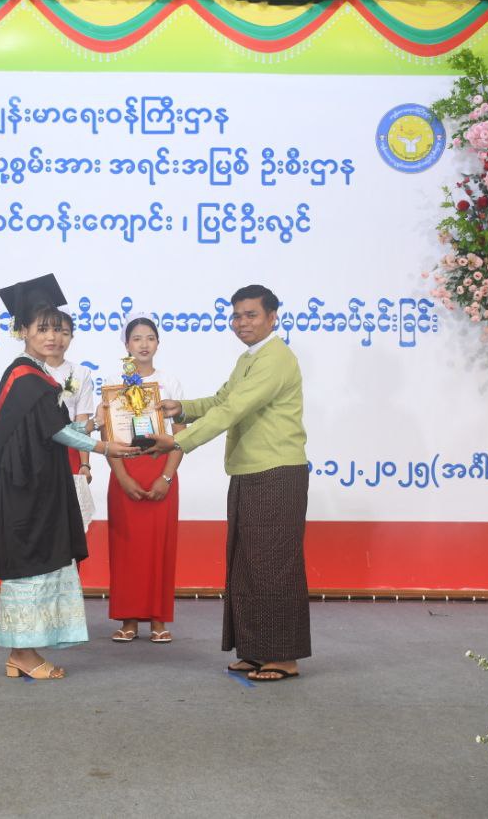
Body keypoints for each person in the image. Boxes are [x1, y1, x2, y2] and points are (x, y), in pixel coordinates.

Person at [0, 275, 140, 680]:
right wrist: (104, 447)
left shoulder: (37, 376)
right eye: (42, 328)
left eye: (59, 330)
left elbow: (57, 429)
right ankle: (22, 652)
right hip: (26, 491)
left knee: (40, 566)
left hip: (38, 488)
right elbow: (57, 432)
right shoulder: (25, 377)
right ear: (23, 331)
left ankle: (22, 653)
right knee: (28, 569)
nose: (52, 337)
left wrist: (99, 424)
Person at [148, 285, 310, 682]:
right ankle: (255, 651)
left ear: (272, 317)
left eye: (251, 315)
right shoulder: (248, 358)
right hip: (250, 470)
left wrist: (180, 441)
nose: (242, 322)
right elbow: (222, 400)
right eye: (236, 315)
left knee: (273, 565)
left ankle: (283, 657)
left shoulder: (277, 358)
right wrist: (181, 408)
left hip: (276, 471)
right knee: (247, 564)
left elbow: (234, 409)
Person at [101, 314, 184, 643]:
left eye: (150, 337)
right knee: (127, 549)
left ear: (158, 343)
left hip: (161, 470)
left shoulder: (169, 382)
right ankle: (129, 619)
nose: (144, 344)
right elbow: (108, 437)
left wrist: (167, 476)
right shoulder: (113, 382)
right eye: (137, 338)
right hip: (125, 469)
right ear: (127, 345)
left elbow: (181, 436)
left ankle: (159, 619)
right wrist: (121, 477)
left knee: (160, 547)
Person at [42, 317, 97, 530]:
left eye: (65, 333)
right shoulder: (31, 370)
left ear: (72, 337)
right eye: (53, 331)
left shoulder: (80, 373)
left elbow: (82, 420)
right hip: (38, 454)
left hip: (69, 454)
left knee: (70, 526)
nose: (58, 338)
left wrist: (85, 464)